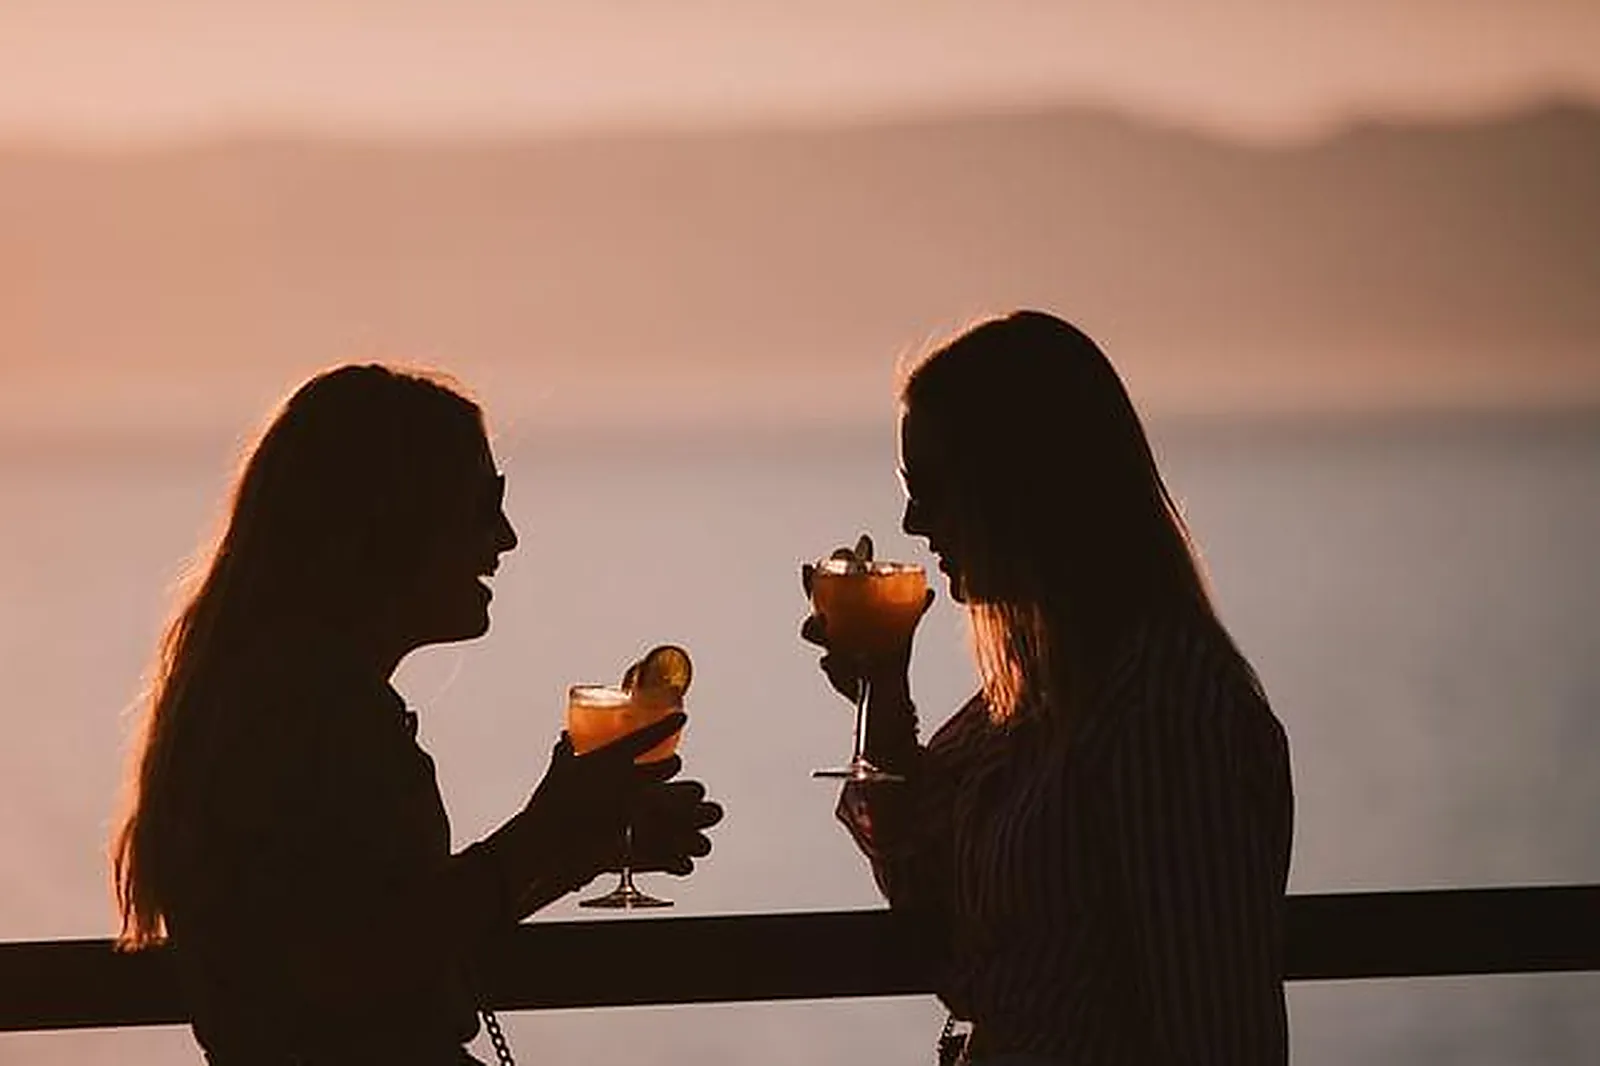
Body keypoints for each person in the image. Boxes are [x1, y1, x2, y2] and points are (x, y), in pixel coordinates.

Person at [112, 364, 722, 1065]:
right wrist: (541, 833)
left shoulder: (285, 696)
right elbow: (343, 968)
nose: (505, 536)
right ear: (388, 518)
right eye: (484, 504)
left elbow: (392, 933)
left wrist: (575, 852)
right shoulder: (304, 714)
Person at [803, 311, 1294, 1066]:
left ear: (1021, 484)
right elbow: (926, 888)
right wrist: (882, 689)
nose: (913, 520)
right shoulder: (1031, 699)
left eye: (929, 486)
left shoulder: (1168, 711)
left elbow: (1217, 1034)